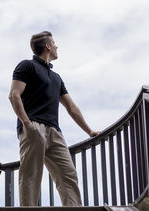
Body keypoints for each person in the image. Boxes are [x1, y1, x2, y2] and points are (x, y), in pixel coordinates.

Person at [8, 31, 99, 206]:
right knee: (31, 176)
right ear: (48, 46)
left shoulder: (56, 78)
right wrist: (27, 124)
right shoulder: (27, 66)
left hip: (55, 132)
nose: (57, 47)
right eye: (54, 43)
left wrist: (89, 131)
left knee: (68, 175)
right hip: (33, 127)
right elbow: (14, 95)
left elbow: (72, 108)